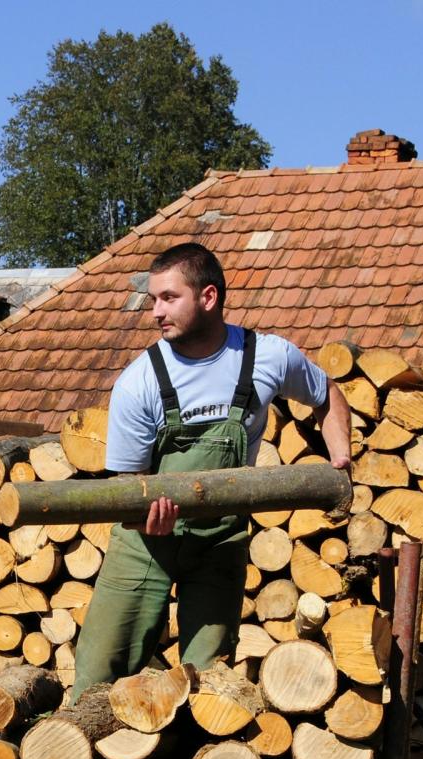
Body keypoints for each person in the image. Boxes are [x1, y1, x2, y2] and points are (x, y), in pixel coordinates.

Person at [70, 242, 351, 702]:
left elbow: (327, 394)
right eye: (153, 299)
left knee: (210, 684)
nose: (156, 312)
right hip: (146, 542)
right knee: (100, 671)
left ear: (208, 297)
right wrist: (143, 518)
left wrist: (340, 458)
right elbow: (125, 487)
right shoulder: (140, 381)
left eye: (169, 298)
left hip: (220, 541)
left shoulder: (267, 356)